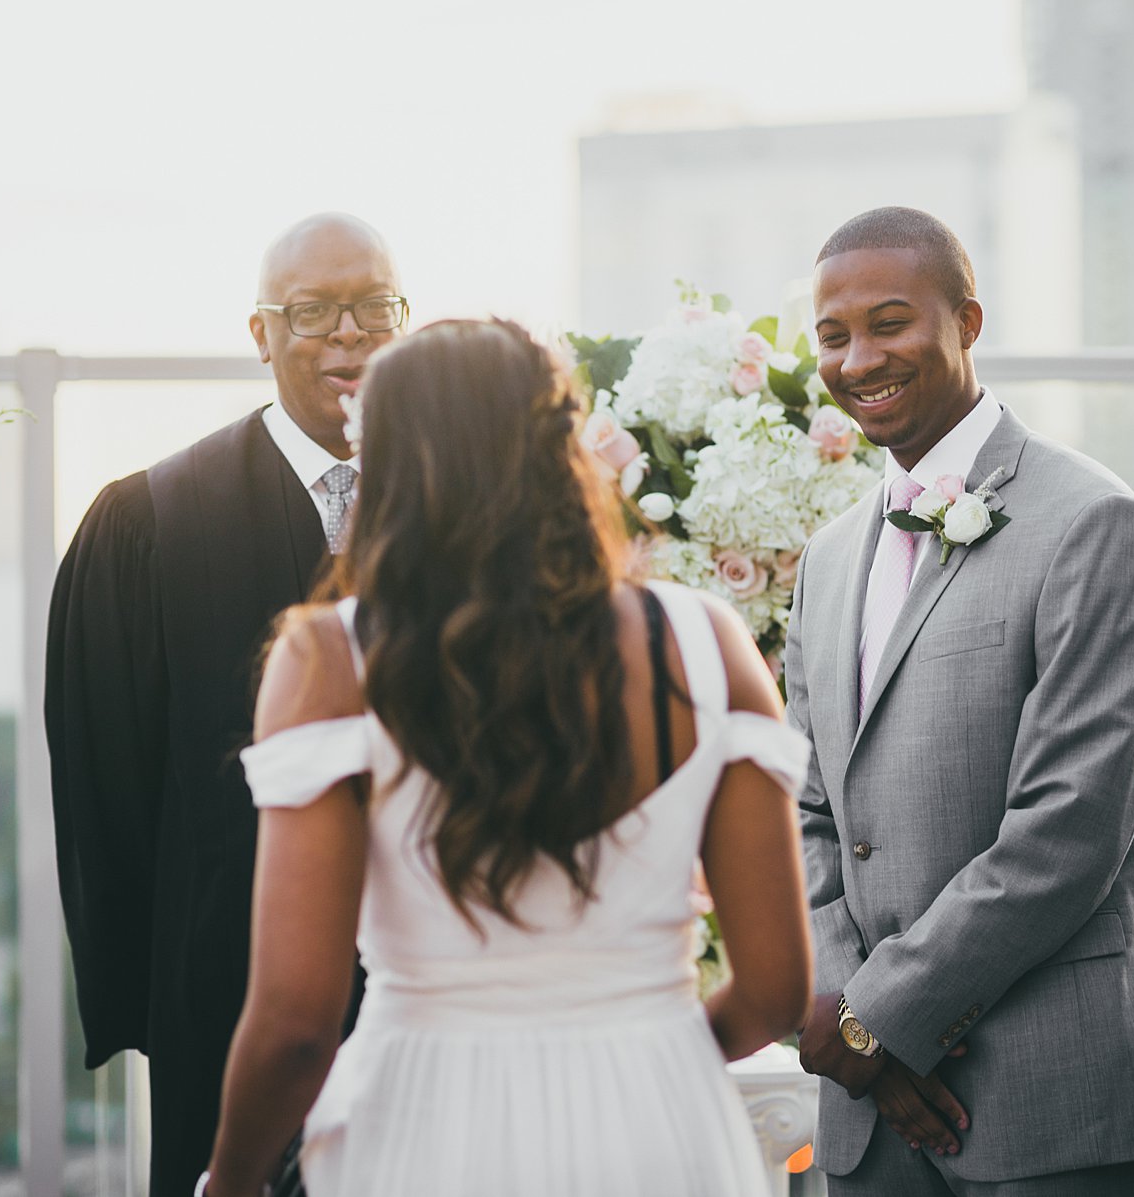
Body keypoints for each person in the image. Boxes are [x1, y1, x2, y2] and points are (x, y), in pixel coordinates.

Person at [197, 319, 814, 1197]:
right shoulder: (706, 643)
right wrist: (647, 1046)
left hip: (424, 1132)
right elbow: (778, 988)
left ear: (392, 467)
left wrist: (229, 1183)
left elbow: (298, 1022)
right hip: (662, 1130)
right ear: (562, 451)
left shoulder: (329, 661)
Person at [786, 207, 1134, 1195]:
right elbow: (803, 808)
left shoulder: (1094, 523)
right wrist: (855, 1031)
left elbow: (1068, 828)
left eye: (888, 323)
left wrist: (872, 1023)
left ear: (966, 323)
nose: (858, 358)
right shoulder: (824, 559)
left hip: (1054, 1094)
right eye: (831, 334)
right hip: (867, 1122)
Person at [44, 213, 408, 1196]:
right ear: (260, 334)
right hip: (225, 999)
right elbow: (104, 787)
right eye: (312, 312)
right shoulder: (150, 521)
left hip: (432, 1000)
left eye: (375, 306)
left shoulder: (451, 514)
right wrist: (148, 995)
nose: (348, 334)